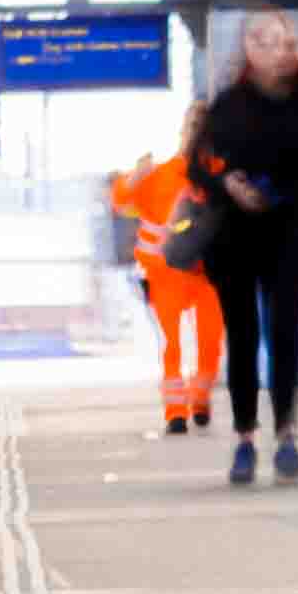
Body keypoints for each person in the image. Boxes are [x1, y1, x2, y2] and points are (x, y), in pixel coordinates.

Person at [180, 12, 298, 484]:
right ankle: (245, 439)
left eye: (287, 42)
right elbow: (196, 166)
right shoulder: (229, 105)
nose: (281, 50)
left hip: (285, 230)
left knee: (284, 334)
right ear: (250, 49)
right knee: (243, 338)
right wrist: (230, 183)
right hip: (234, 237)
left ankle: (287, 435)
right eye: (269, 42)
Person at [106, 139, 218, 435]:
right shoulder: (160, 175)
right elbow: (119, 200)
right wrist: (134, 176)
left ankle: (200, 395)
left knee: (211, 340)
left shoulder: (218, 174)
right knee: (172, 343)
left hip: (206, 273)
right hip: (164, 272)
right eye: (193, 128)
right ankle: (176, 412)